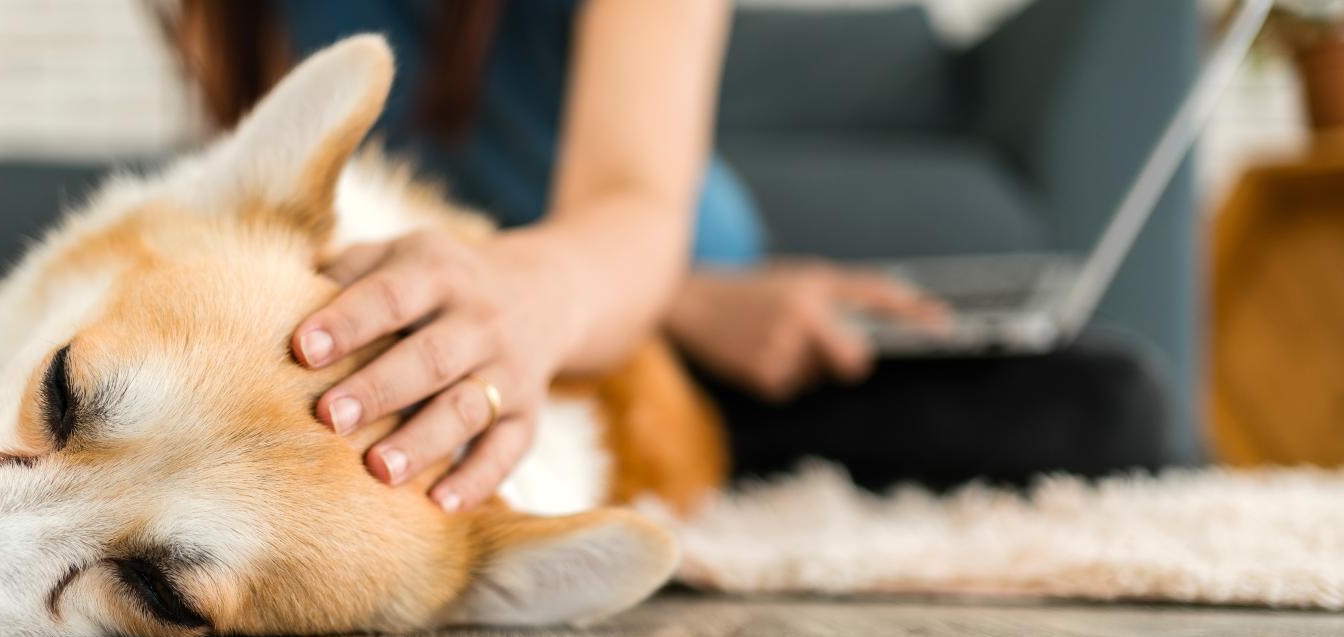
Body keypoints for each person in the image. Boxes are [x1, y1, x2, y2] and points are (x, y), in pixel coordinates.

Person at [157, 0, 1170, 509]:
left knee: (1111, 403)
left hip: (626, 305)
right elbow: (278, 186)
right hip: (546, 314)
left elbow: (632, 206)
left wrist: (644, 297)